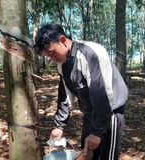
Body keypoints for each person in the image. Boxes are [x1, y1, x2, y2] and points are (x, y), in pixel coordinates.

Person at [34, 23, 128, 160]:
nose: (52, 58)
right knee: (87, 152)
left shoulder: (90, 53)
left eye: (52, 52)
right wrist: (60, 125)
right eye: (48, 55)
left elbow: (103, 94)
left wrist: (97, 132)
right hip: (90, 112)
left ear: (63, 40)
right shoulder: (63, 65)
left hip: (110, 111)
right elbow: (65, 96)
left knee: (106, 155)